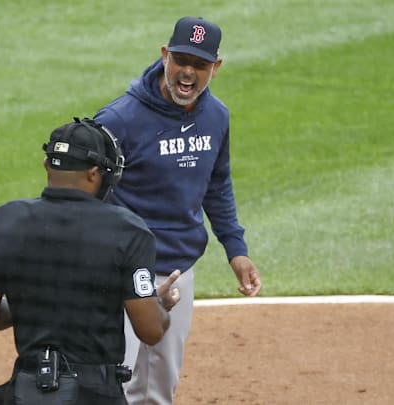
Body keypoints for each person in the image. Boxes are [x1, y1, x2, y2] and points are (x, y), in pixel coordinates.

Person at [93, 16, 263, 404]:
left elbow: (217, 184)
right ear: (165, 55)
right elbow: (88, 195)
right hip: (122, 271)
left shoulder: (216, 117)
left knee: (160, 386)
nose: (188, 73)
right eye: (181, 60)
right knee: (113, 382)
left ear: (215, 68)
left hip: (178, 269)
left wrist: (236, 250)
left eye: (200, 65)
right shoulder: (119, 121)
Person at [0, 117, 182, 405]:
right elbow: (151, 330)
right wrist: (160, 304)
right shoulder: (129, 231)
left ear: (47, 165)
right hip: (95, 393)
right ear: (95, 173)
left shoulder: (6, 220)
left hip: (27, 390)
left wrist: (41, 302)